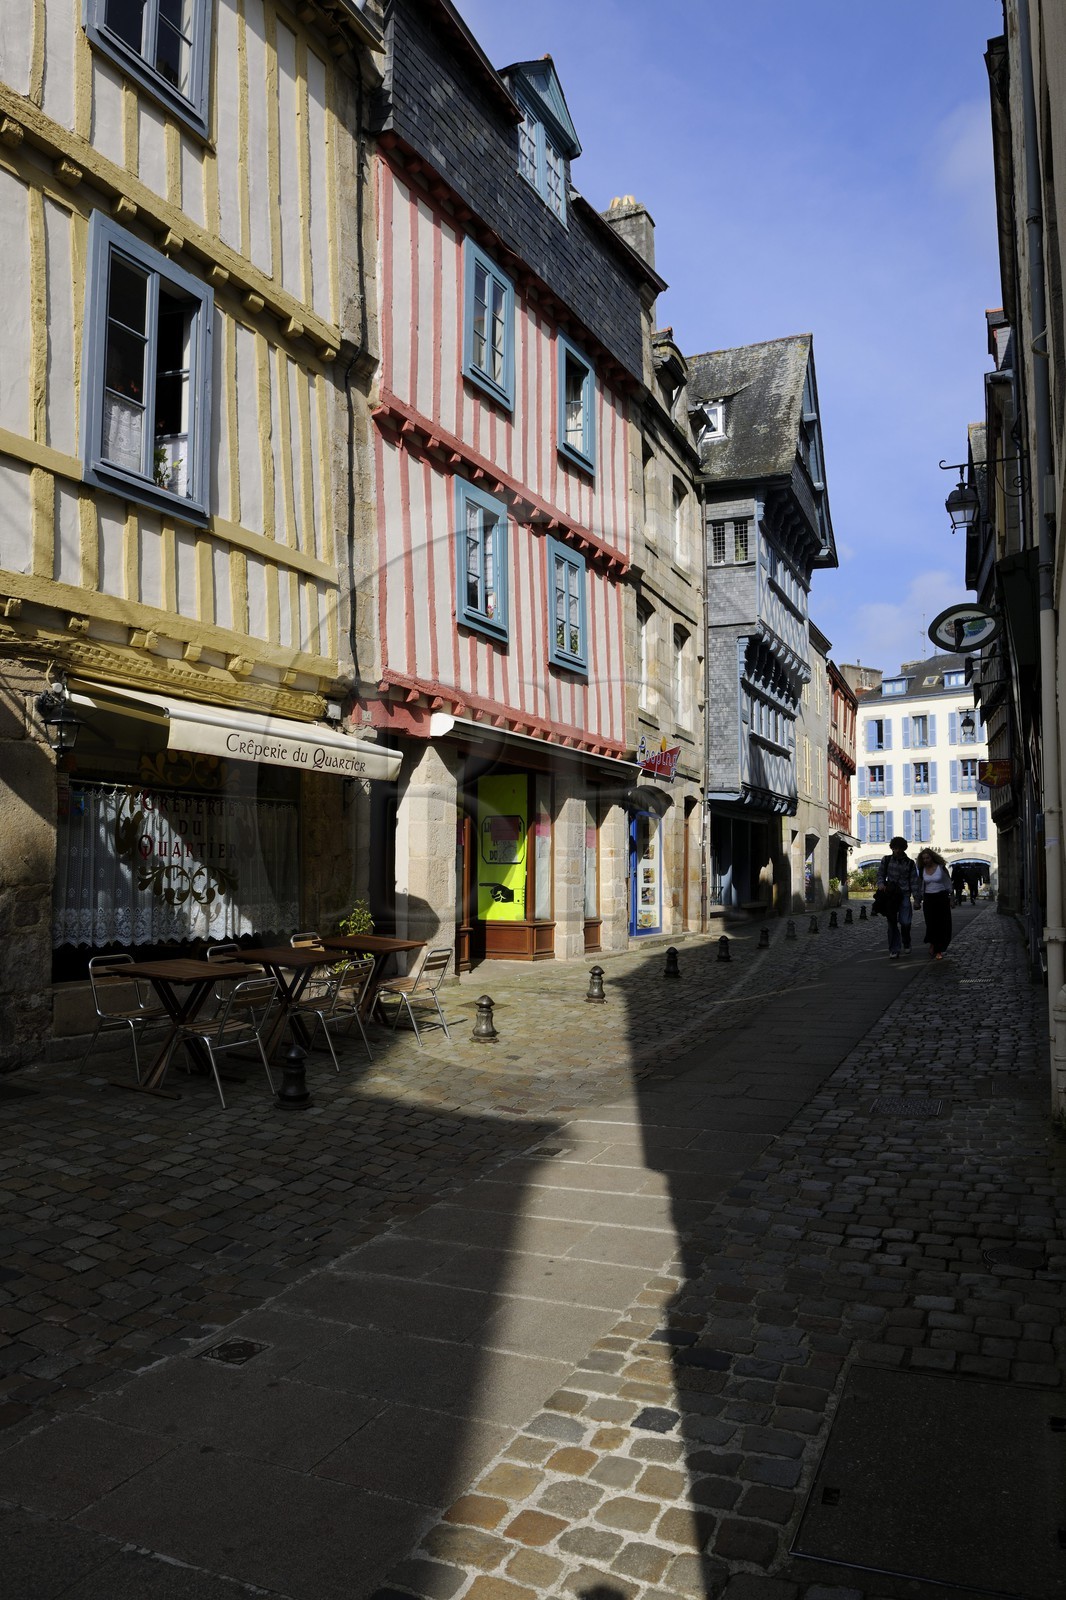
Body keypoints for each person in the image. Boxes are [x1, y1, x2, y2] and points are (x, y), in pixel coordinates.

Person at [876, 836, 919, 959]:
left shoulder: (910, 863)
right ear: (892, 848)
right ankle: (894, 949)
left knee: (905, 922)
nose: (897, 851)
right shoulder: (887, 860)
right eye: (895, 848)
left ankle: (906, 941)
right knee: (892, 923)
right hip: (890, 895)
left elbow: (914, 881)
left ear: (904, 848)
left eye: (899, 848)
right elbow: (880, 874)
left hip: (904, 894)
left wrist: (916, 898)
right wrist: (881, 884)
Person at [916, 847, 953, 959]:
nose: (926, 860)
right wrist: (917, 900)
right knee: (931, 923)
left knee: (943, 924)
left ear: (932, 857)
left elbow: (948, 883)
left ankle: (939, 949)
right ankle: (933, 943)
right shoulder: (922, 870)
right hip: (928, 898)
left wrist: (952, 898)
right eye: (924, 858)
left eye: (928, 857)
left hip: (941, 897)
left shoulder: (941, 868)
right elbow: (919, 886)